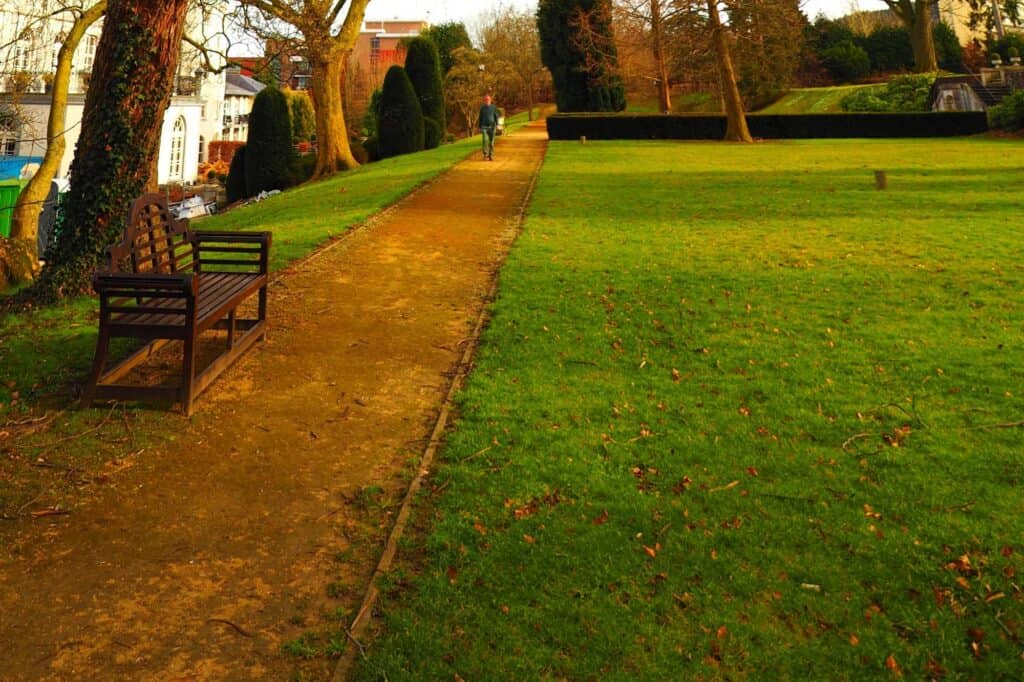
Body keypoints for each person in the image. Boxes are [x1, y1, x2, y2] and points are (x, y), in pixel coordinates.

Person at [478, 94, 498, 161]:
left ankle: (491, 155)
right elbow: (480, 117)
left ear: (490, 100)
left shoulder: (493, 107)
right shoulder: (482, 108)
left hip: (492, 127)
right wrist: (479, 126)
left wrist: (497, 125)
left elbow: (496, 116)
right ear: (484, 101)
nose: (487, 100)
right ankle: (485, 155)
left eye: (488, 99)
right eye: (485, 99)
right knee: (485, 140)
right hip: (484, 127)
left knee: (491, 142)